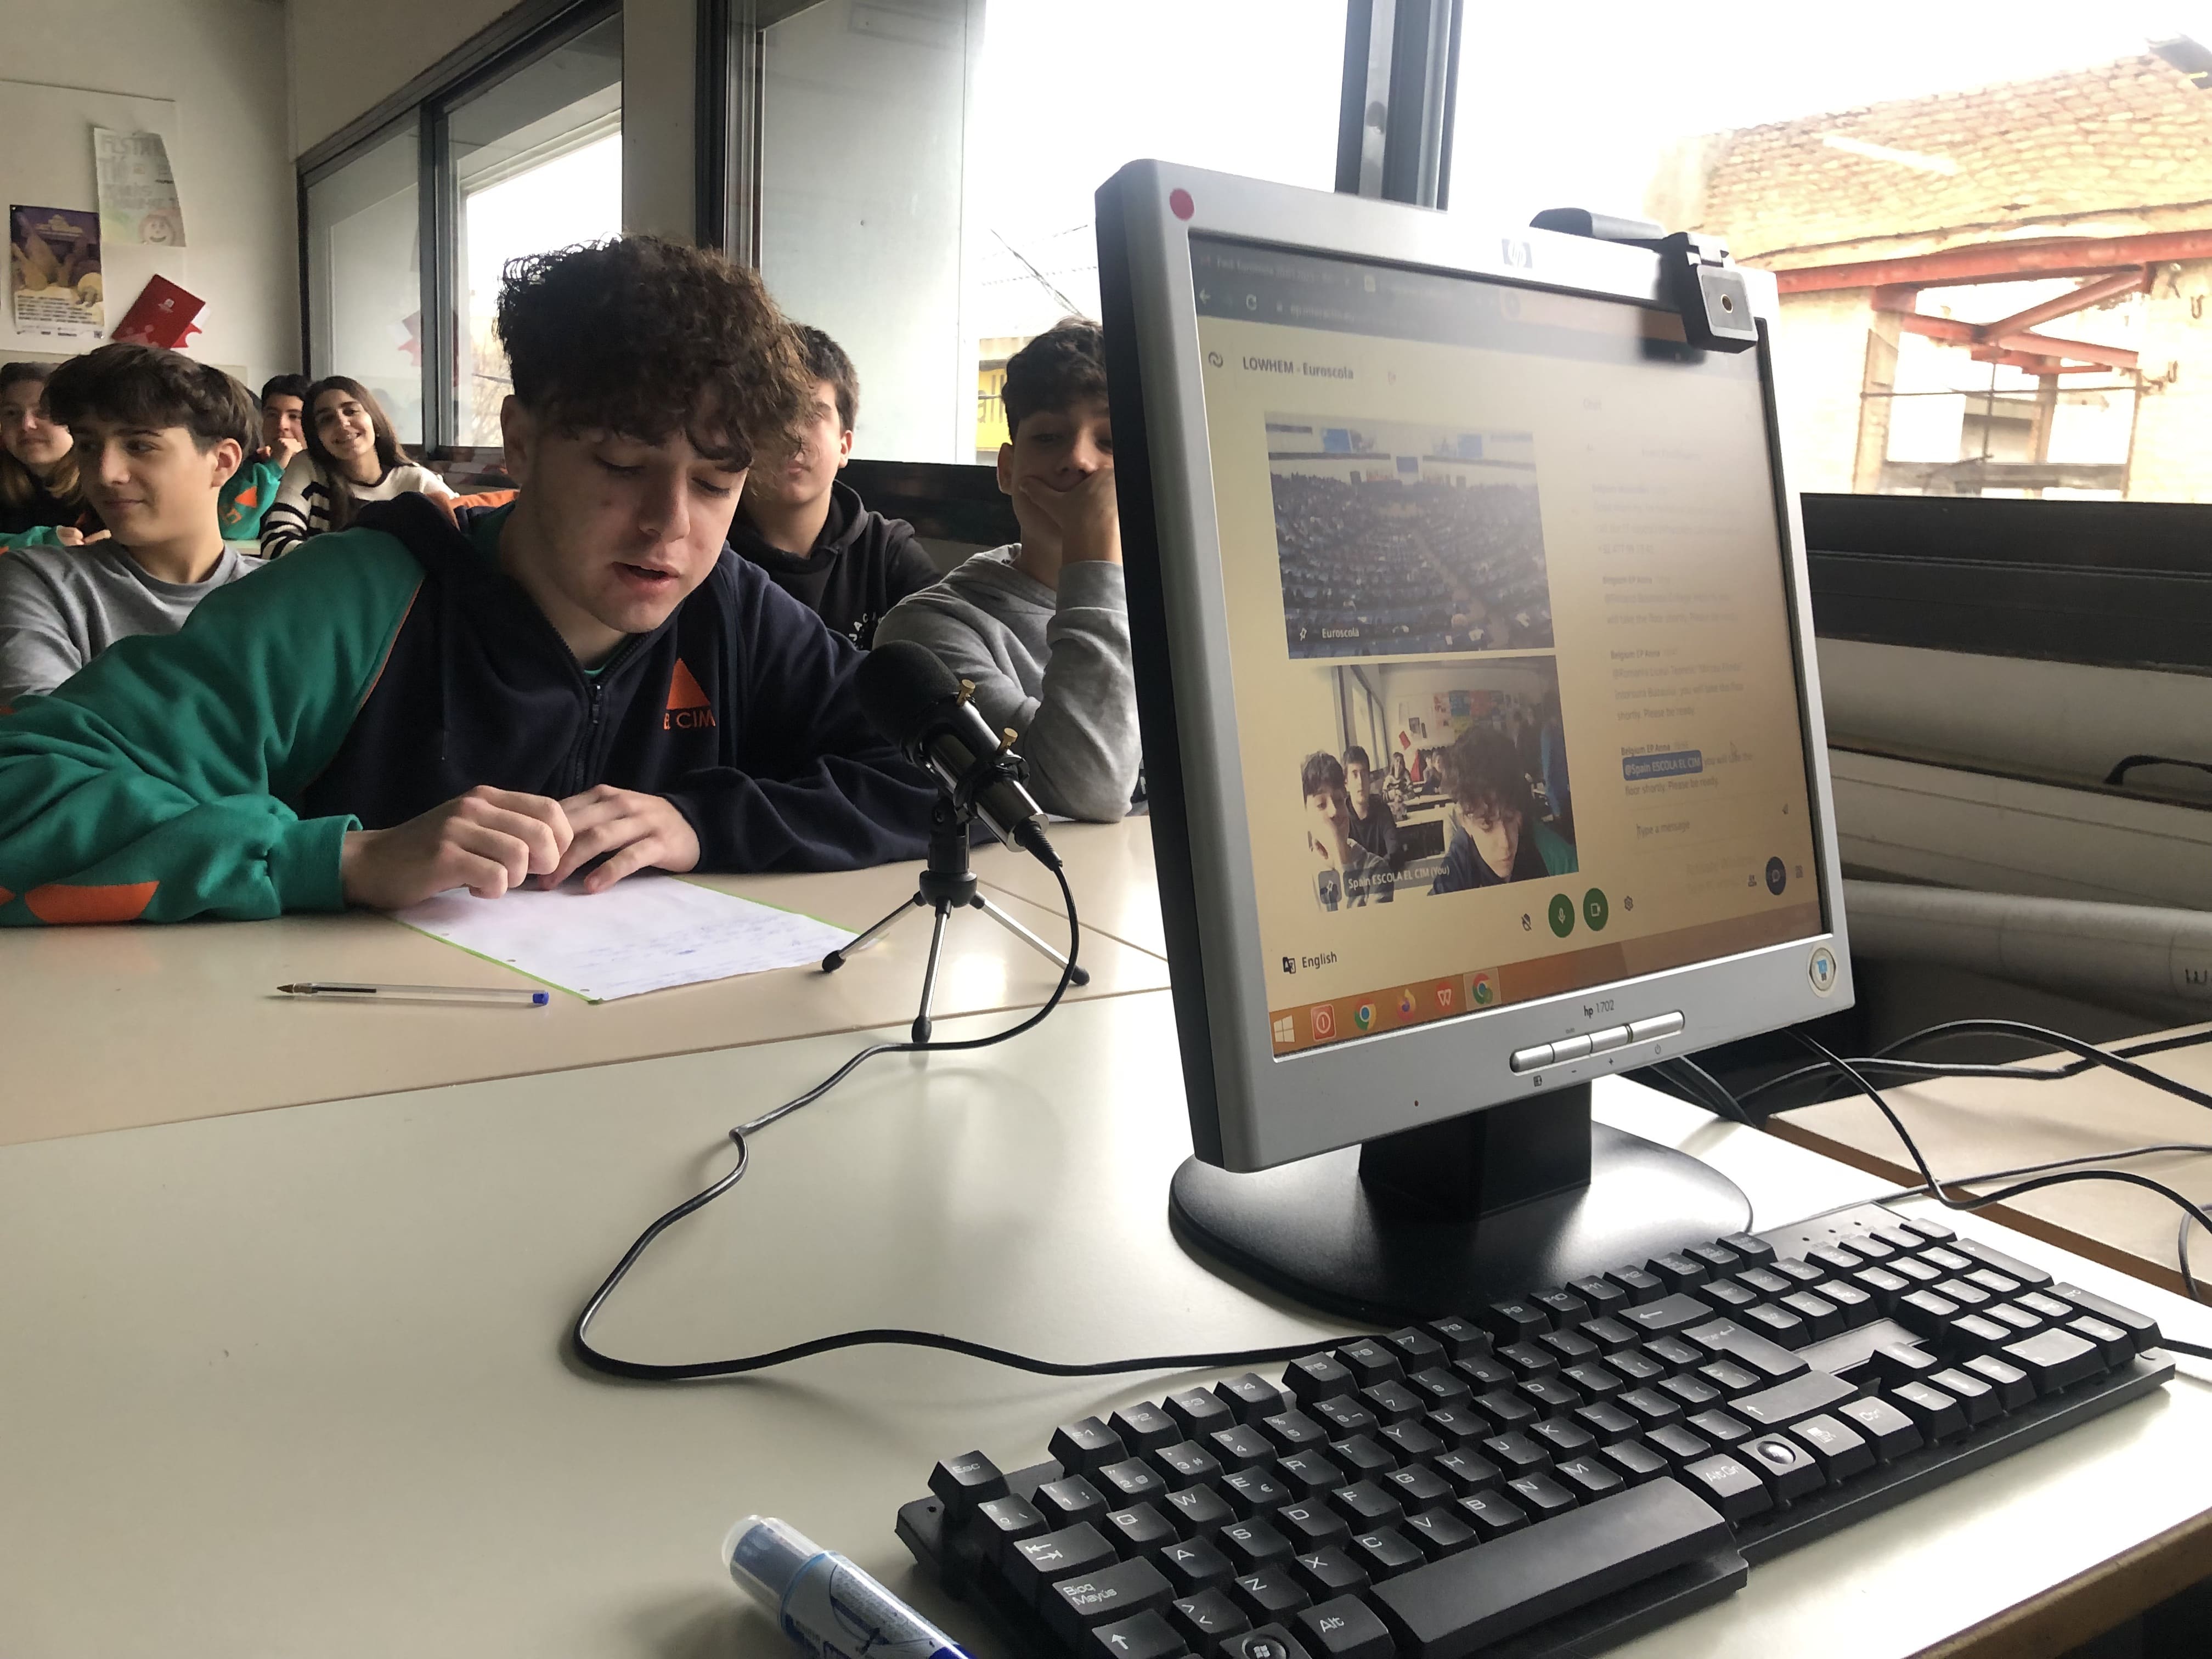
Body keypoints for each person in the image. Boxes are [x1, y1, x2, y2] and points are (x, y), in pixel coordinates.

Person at [0, 235, 938, 925]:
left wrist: (704, 823)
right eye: (621, 467)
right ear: (520, 441)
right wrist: (344, 858)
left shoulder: (731, 606)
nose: (671, 527)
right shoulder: (358, 598)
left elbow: (944, 779)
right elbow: (26, 790)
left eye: (716, 483)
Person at [874, 318, 1138, 822]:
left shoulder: (1186, 610)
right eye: (1049, 437)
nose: (1078, 460)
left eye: (1108, 441)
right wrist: (1093, 550)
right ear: (1007, 470)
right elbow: (1085, 789)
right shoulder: (929, 629)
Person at [0, 344, 262, 708]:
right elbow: (48, 732)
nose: (105, 474)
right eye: (88, 446)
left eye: (139, 446)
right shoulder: (44, 582)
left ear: (221, 461)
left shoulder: (280, 594)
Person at [730, 325, 939, 647]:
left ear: (845, 446)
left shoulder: (886, 555)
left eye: (813, 414)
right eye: (774, 411)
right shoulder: (709, 549)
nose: (792, 434)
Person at [259, 376, 454, 557]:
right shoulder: (308, 468)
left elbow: (465, 531)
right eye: (327, 419)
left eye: (351, 411)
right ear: (317, 437)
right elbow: (274, 544)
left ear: (374, 420)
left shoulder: (417, 481)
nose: (342, 423)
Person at [1429, 726, 1577, 893]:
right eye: (1487, 825)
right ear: (1465, 821)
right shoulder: (1460, 859)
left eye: (1510, 818)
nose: (1505, 843)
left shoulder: (1549, 851)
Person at [0, 360, 103, 545]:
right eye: (11, 413)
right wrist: (40, 542)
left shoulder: (107, 477)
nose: (26, 425)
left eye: (44, 412)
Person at [216, 372, 312, 541]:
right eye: (272, 415)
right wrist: (275, 467)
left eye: (294, 416)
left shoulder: (324, 474)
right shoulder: (244, 468)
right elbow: (230, 529)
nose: (281, 425)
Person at [1301, 751, 1391, 911]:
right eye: (1321, 805)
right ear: (1305, 816)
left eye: (1338, 800)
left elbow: (1358, 926)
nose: (1334, 811)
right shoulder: (1299, 874)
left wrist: (1343, 859)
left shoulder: (1376, 869)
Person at [1340, 743, 1400, 866]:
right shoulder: (1341, 817)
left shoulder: (1383, 811)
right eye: (1355, 775)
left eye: (1364, 774)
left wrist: (1373, 873)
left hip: (1383, 877)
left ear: (1369, 778)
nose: (1361, 781)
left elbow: (1395, 852)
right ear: (1346, 783)